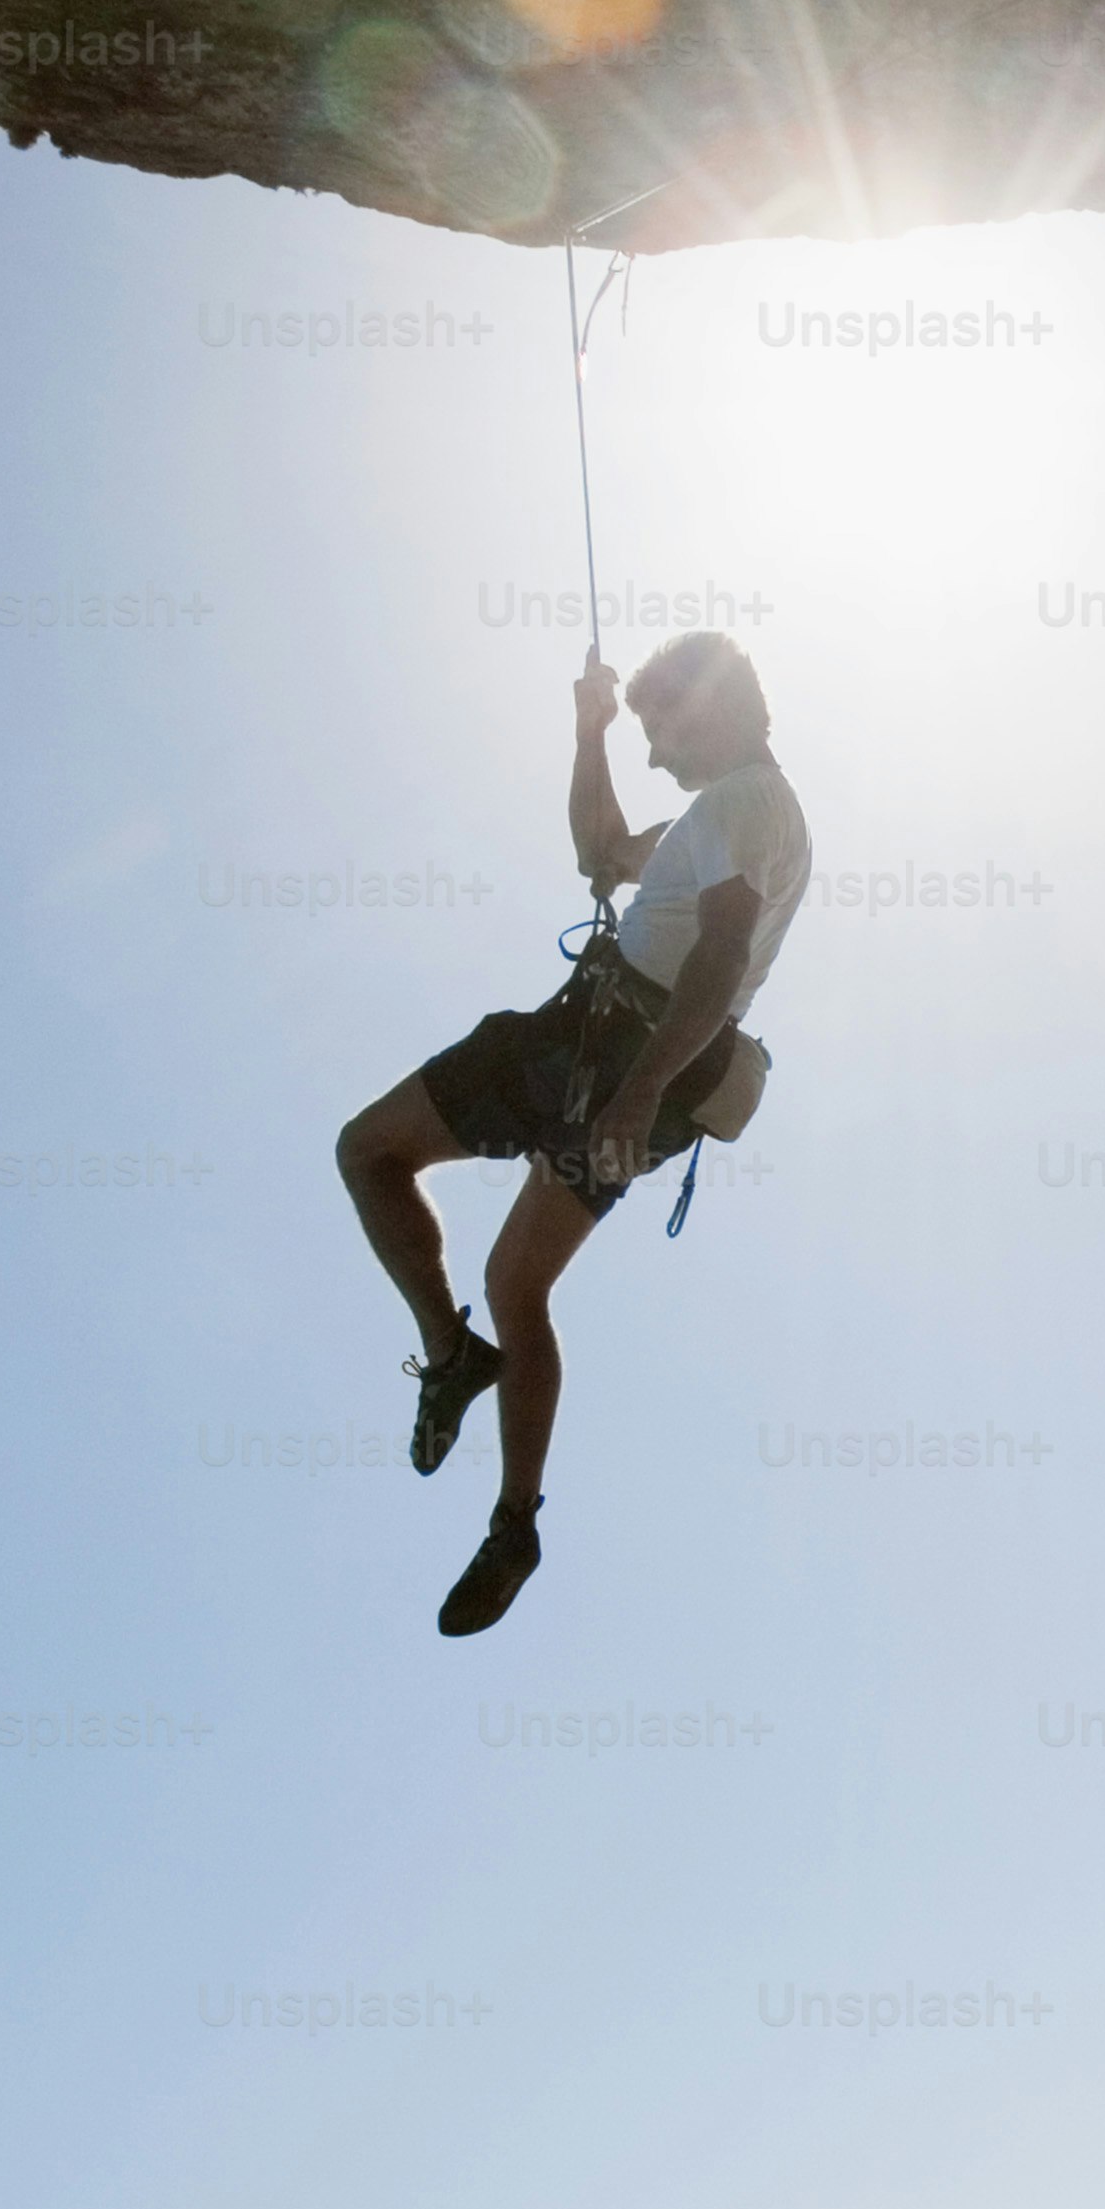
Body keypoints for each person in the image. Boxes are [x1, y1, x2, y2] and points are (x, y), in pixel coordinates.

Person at [333, 630, 809, 1636]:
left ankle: (506, 1502)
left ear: (709, 703)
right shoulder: (719, 813)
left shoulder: (748, 805)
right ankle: (468, 1397)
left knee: (376, 1158)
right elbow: (600, 850)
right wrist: (588, 729)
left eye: (656, 726)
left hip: (616, 1056)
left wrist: (636, 1097)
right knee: (494, 1267)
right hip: (600, 1046)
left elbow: (721, 962)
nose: (653, 753)